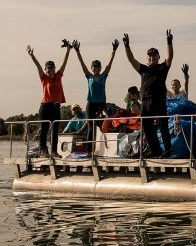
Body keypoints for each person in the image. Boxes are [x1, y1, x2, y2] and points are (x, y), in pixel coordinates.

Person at [123, 30, 173, 158]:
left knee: (163, 125)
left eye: (154, 55)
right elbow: (131, 59)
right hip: (145, 101)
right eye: (149, 56)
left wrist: (169, 42)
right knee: (147, 127)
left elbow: (170, 57)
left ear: (158, 57)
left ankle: (167, 150)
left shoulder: (163, 68)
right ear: (147, 58)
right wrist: (127, 46)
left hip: (159, 100)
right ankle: (155, 151)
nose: (152, 57)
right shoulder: (143, 69)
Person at [71, 39, 119, 150]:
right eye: (94, 67)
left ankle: (109, 148)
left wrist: (114, 50)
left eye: (98, 67)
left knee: (107, 125)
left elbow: (109, 64)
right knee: (91, 128)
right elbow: (82, 64)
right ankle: (89, 150)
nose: (96, 69)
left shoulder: (103, 76)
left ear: (100, 68)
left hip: (101, 104)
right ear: (92, 68)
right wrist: (77, 51)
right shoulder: (89, 76)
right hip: (91, 104)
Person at [26, 41, 72, 158]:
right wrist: (32, 55)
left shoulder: (58, 76)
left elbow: (64, 63)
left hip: (56, 106)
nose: (51, 70)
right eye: (48, 69)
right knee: (44, 130)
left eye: (52, 68)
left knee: (55, 131)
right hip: (45, 106)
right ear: (46, 70)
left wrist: (68, 51)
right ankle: (43, 151)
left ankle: (54, 152)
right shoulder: (44, 78)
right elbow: (38, 66)